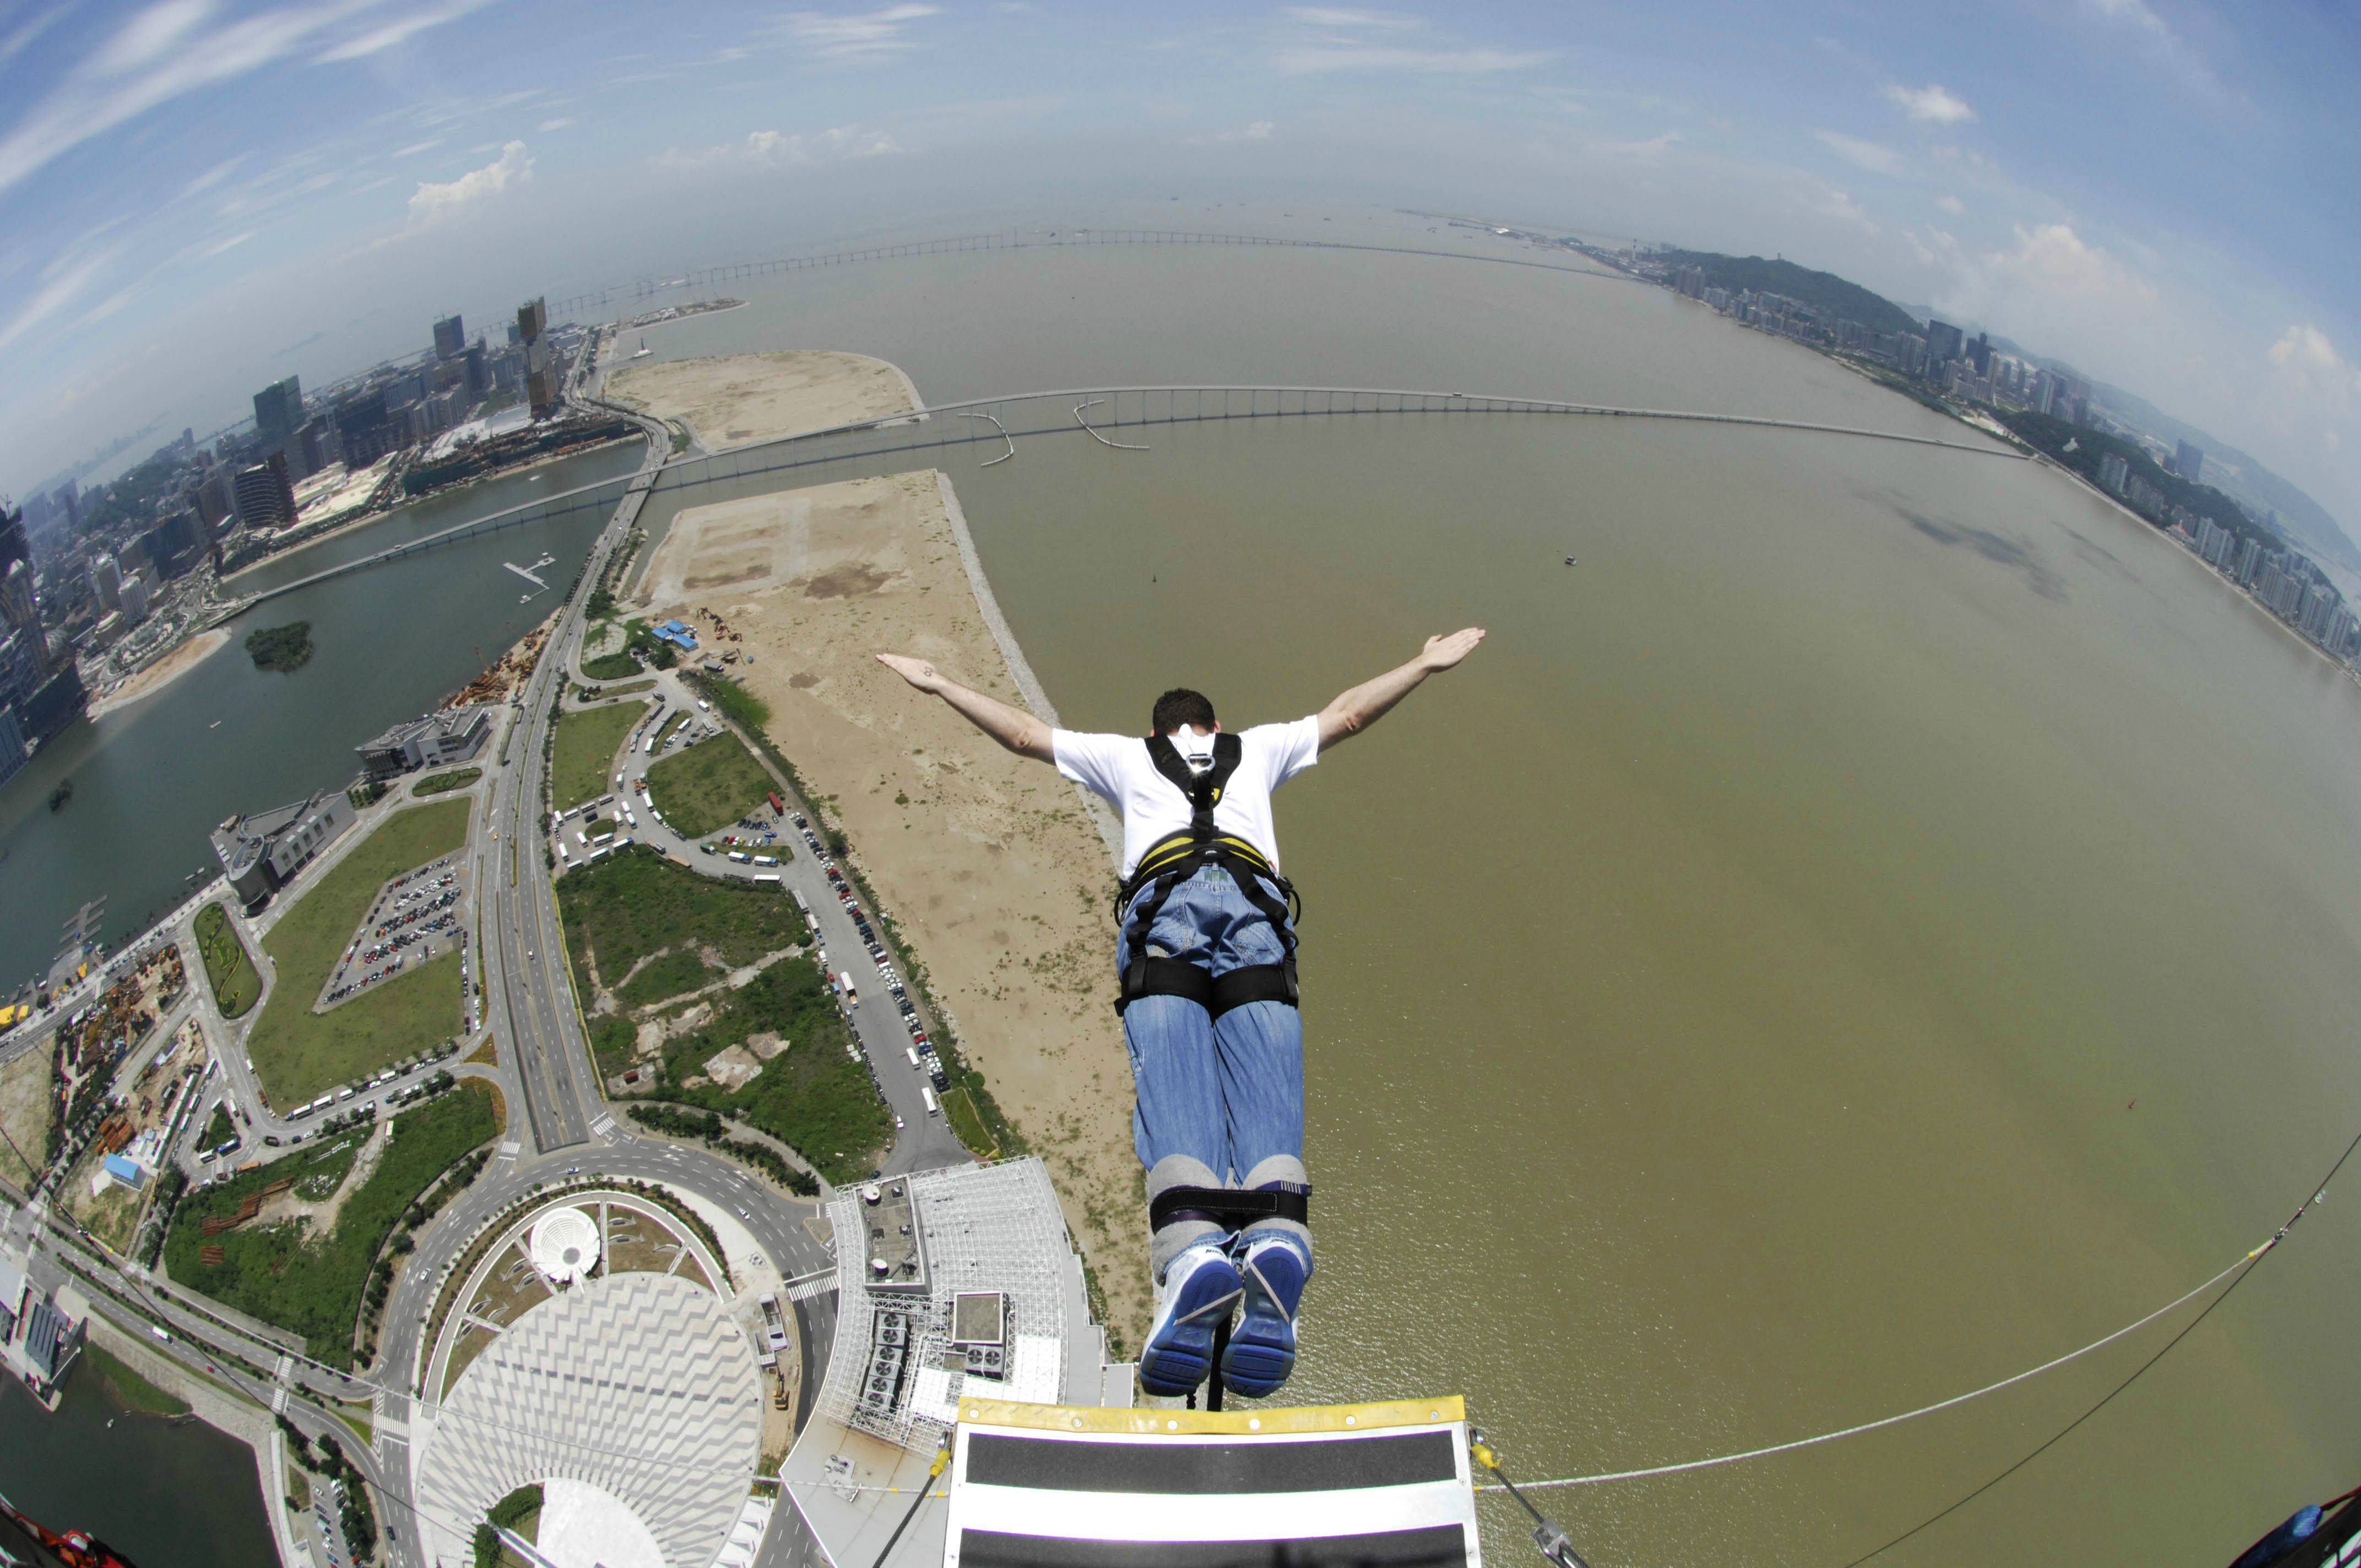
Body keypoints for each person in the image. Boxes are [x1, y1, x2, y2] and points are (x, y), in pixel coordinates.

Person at [877, 628, 1486, 1397]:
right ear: (1216, 726)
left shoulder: (1126, 757)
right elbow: (1350, 716)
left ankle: (1195, 1251)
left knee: (1176, 1089)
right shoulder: (1257, 750)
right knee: (1267, 1087)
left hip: (1165, 924)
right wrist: (1425, 666)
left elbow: (1024, 735)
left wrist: (938, 683)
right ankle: (1276, 1238)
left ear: (1158, 729)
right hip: (1256, 922)